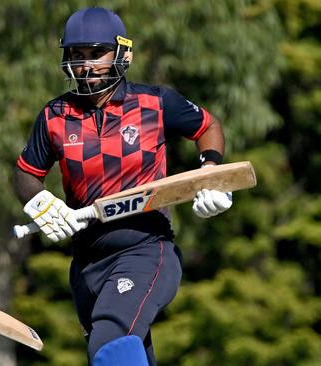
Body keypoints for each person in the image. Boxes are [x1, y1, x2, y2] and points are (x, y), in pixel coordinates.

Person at [13, 7, 233, 366]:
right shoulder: (54, 115)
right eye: (77, 55)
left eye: (96, 53)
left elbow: (208, 126)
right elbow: (25, 173)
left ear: (122, 53)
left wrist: (210, 173)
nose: (86, 66)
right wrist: (40, 201)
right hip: (86, 262)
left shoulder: (155, 102)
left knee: (110, 342)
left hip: (146, 250)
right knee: (125, 352)